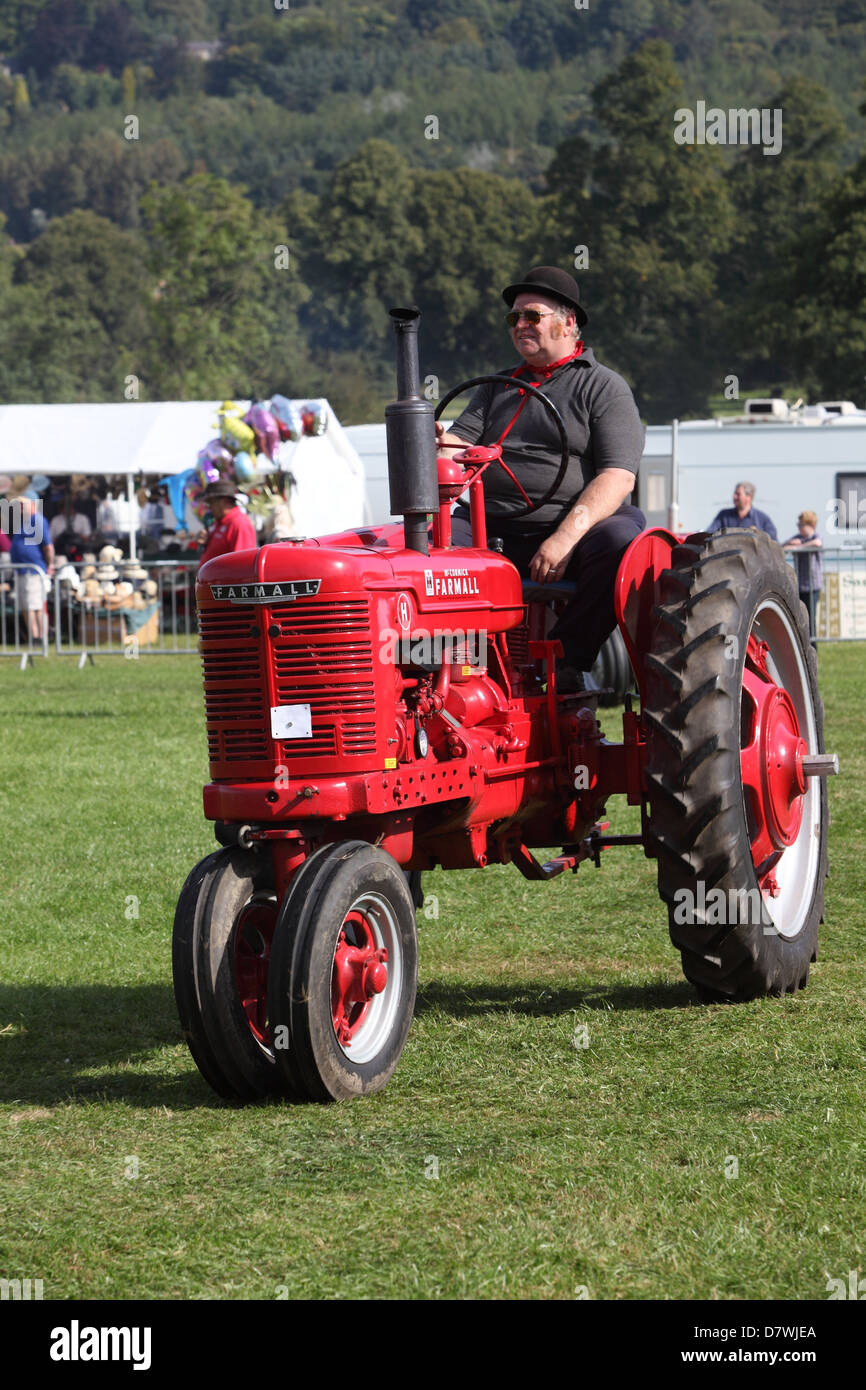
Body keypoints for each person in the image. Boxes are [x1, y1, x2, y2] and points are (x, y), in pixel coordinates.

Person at [436, 264, 645, 683]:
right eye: (514, 318)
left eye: (532, 316)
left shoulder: (603, 387)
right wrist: (434, 442)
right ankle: (453, 670)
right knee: (424, 548)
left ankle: (568, 660)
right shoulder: (497, 385)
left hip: (572, 534)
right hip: (491, 530)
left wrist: (564, 538)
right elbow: (456, 447)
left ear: (569, 323)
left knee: (622, 537)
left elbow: (618, 476)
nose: (520, 325)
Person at [8, 494, 54, 642]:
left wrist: (50, 565)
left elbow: (48, 547)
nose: (20, 508)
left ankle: (40, 637)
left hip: (33, 571)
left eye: (23, 504)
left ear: (33, 504)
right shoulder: (24, 522)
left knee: (35, 606)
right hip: (22, 571)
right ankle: (34, 637)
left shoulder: (37, 520)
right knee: (27, 606)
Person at [197, 479, 257, 569]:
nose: (209, 508)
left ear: (223, 501)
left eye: (211, 503)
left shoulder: (239, 523)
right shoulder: (220, 522)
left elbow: (242, 565)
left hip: (223, 582)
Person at [782, 509, 823, 639]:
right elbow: (783, 547)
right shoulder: (797, 538)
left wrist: (800, 546)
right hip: (799, 585)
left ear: (810, 525)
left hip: (813, 586)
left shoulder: (815, 536)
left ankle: (812, 645)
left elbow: (817, 543)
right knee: (799, 619)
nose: (799, 528)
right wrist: (791, 544)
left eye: (801, 525)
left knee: (811, 619)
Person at [707, 482, 777, 540]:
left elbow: (773, 543)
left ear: (749, 496)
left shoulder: (762, 519)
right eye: (734, 494)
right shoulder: (723, 516)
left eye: (738, 494)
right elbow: (709, 534)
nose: (734, 497)